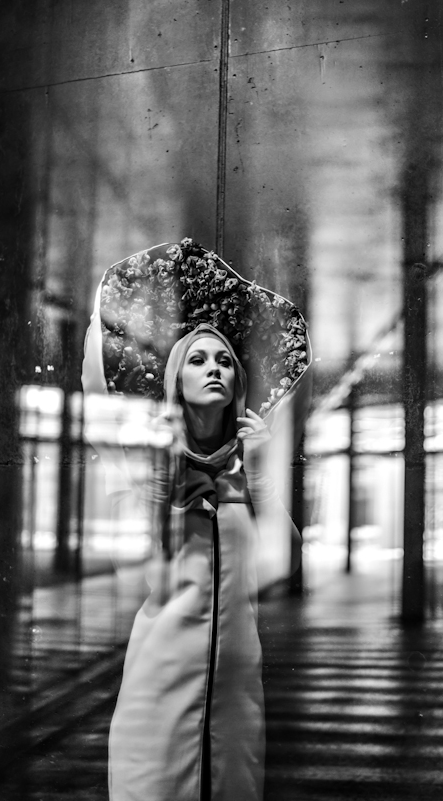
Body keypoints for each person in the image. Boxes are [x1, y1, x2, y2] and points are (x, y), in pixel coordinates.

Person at [108, 323, 287, 801]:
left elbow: (287, 560)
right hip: (161, 673)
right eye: (198, 360)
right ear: (176, 379)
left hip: (235, 683)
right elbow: (132, 560)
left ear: (237, 384)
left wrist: (261, 473)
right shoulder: (156, 461)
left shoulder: (246, 469)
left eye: (225, 362)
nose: (214, 369)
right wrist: (160, 476)